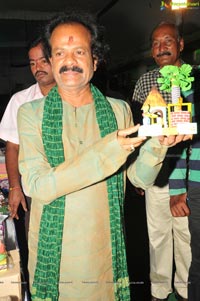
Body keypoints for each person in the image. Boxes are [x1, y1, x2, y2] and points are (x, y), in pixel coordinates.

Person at [16, 12, 187, 301]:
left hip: (104, 252)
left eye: (79, 51)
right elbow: (37, 185)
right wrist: (108, 151)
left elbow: (136, 179)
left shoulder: (118, 109)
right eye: (60, 53)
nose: (69, 60)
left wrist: (158, 145)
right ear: (53, 61)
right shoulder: (32, 113)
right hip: (57, 258)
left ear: (95, 61)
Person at [131, 21, 192, 301]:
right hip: (156, 169)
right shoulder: (145, 82)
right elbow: (139, 129)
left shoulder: (194, 80)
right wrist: (140, 172)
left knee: (185, 235)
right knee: (157, 235)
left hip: (190, 171)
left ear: (180, 44)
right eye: (155, 43)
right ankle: (159, 291)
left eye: (168, 41)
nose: (161, 47)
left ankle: (184, 289)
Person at [0, 36, 56, 295]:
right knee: (37, 246)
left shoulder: (75, 96)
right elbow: (13, 146)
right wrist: (15, 187)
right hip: (34, 190)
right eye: (33, 63)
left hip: (72, 186)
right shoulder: (20, 100)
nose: (38, 67)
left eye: (43, 60)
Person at [169, 69, 200, 301]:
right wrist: (178, 188)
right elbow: (179, 136)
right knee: (198, 258)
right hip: (198, 185)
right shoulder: (190, 84)